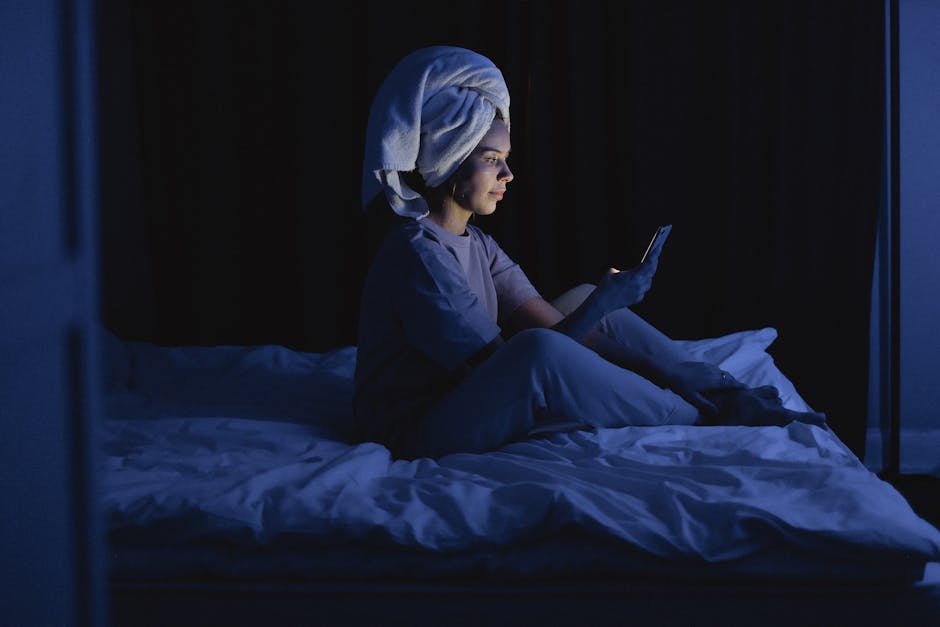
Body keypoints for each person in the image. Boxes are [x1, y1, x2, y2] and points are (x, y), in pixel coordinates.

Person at [354, 46, 825, 459]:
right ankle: (699, 416)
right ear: (447, 159)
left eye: (506, 160)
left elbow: (550, 326)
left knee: (579, 299)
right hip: (419, 430)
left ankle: (715, 389)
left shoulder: (477, 243)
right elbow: (514, 364)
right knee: (543, 344)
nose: (508, 176)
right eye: (492, 160)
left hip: (466, 395)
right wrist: (604, 303)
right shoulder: (418, 254)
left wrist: (663, 368)